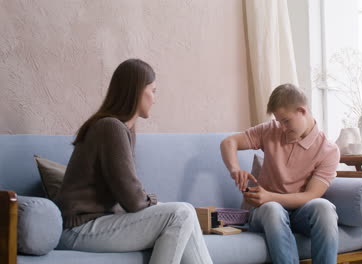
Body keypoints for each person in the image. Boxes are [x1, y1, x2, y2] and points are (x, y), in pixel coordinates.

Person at [55, 58, 213, 264]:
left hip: (97, 223)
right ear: (138, 90)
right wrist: (153, 200)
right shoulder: (111, 128)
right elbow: (133, 199)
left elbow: (130, 199)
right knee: (181, 213)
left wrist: (150, 202)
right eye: (153, 91)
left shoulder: (118, 128)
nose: (155, 99)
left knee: (186, 212)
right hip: (78, 229)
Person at [220, 83, 340, 264]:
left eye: (286, 121)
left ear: (302, 111)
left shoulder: (329, 150)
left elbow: (311, 195)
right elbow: (229, 142)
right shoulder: (270, 130)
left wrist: (269, 196)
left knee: (324, 208)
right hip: (264, 212)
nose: (282, 127)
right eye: (279, 121)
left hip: (299, 214)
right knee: (273, 209)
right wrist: (235, 169)